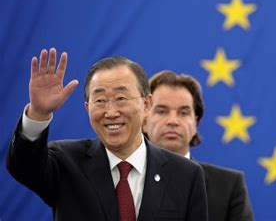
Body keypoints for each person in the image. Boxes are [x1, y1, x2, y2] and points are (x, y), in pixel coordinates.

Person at [6, 48, 208, 221]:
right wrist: (38, 113)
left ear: (146, 104)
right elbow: (23, 166)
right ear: (87, 108)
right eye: (100, 100)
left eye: (121, 98)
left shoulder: (186, 175)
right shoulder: (65, 162)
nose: (111, 112)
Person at [142, 70, 254, 221]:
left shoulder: (229, 186)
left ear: (195, 124)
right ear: (143, 122)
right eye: (162, 111)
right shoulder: (119, 180)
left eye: (183, 112)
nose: (173, 121)